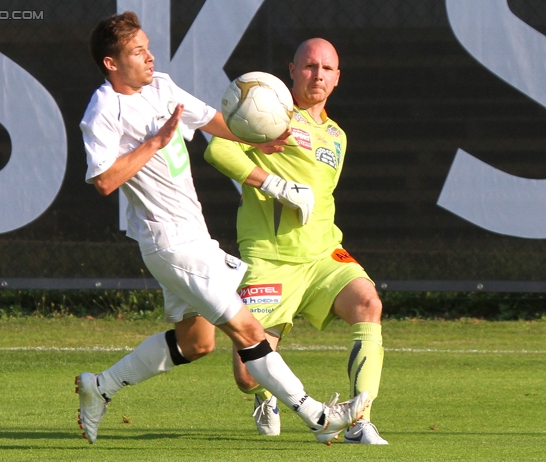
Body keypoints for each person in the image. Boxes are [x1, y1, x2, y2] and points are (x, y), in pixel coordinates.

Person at [76, 13, 370, 445]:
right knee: (249, 332)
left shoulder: (162, 86)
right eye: (137, 52)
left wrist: (255, 141)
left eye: (147, 46)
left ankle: (98, 388)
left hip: (193, 236)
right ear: (111, 63)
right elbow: (103, 180)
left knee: (195, 344)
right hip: (170, 243)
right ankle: (320, 417)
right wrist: (153, 143)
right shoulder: (104, 109)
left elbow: (211, 118)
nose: (149, 56)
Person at [204, 38, 387, 445]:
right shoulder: (268, 114)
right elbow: (217, 150)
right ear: (291, 70)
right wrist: (273, 184)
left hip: (324, 254)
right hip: (272, 258)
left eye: (326, 69)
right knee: (248, 376)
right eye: (308, 66)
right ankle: (266, 397)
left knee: (368, 303)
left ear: (337, 79)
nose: (317, 75)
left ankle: (359, 421)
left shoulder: (337, 136)